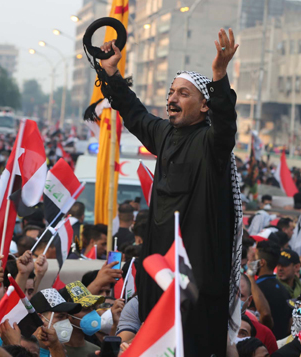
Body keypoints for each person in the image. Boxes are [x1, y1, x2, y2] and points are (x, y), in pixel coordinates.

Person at [96, 28, 241, 355]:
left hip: (197, 280)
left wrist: (219, 74)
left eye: (183, 94)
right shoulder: (163, 134)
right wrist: (110, 72)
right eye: (171, 92)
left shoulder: (211, 143)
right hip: (159, 270)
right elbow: (133, 112)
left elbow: (226, 126)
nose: (172, 99)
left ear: (205, 106)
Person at [254, 240, 292, 340]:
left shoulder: (255, 289)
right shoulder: (285, 290)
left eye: (254, 258)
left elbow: (265, 316)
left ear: (262, 262)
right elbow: (290, 325)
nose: (251, 262)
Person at [30, 288, 81, 357]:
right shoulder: (24, 352)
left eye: (66, 317)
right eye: (60, 316)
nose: (65, 321)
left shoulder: (60, 351)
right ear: (39, 318)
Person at [58, 281, 105, 356]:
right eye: (85, 309)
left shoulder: (97, 351)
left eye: (93, 307)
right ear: (66, 314)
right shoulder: (53, 350)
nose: (92, 313)